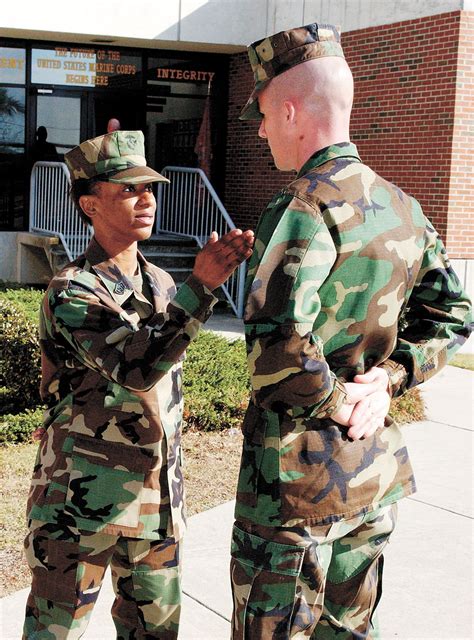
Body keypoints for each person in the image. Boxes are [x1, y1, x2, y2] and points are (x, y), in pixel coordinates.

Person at [230, 23, 473, 639]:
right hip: (371, 474)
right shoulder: (403, 207)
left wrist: (344, 401)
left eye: (261, 115)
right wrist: (386, 382)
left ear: (289, 110)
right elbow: (455, 315)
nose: (260, 132)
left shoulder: (303, 207)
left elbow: (279, 347)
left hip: (295, 487)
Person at [22, 129, 254, 639]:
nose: (146, 198)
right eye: (128, 189)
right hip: (81, 503)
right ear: (89, 204)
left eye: (149, 188)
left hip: (155, 504)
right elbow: (137, 366)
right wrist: (204, 287)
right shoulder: (73, 290)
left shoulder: (162, 283)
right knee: (53, 633)